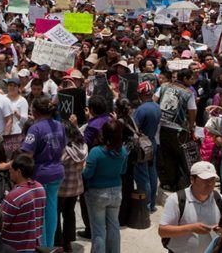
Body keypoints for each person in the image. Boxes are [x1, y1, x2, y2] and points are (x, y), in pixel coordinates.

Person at [18, 95, 65, 248]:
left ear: (35, 111)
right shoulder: (60, 125)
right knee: (51, 209)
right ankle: (49, 245)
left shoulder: (35, 128)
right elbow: (63, 149)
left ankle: (43, 247)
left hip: (41, 175)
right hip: (57, 172)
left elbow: (28, 155)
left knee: (41, 214)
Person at [158, 161, 222, 253]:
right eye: (205, 180)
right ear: (192, 179)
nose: (210, 184)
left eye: (212, 179)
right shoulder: (176, 200)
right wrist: (191, 228)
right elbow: (163, 231)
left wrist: (221, 229)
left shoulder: (220, 199)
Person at [82, 119, 129, 253]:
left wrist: (83, 168)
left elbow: (87, 174)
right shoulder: (124, 151)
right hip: (116, 192)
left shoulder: (96, 152)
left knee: (98, 230)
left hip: (97, 193)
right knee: (114, 226)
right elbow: (123, 170)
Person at [157, 69, 197, 192]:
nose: (193, 81)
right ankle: (183, 184)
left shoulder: (163, 87)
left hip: (162, 128)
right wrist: (191, 126)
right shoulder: (188, 93)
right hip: (179, 130)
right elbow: (192, 110)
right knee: (182, 157)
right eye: (191, 79)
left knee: (167, 156)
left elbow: (154, 100)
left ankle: (170, 183)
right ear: (184, 78)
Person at [0, 154, 46, 253]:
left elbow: (2, 223)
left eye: (11, 169)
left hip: (16, 247)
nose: (9, 171)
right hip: (35, 246)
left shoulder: (14, 196)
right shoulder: (40, 188)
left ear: (18, 172)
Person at [56, 122, 87, 253]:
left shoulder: (64, 150)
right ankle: (68, 242)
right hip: (76, 188)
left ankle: (57, 241)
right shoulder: (82, 147)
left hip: (61, 189)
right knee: (69, 213)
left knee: (56, 215)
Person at [132, 81, 161, 211]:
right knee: (152, 173)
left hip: (142, 146)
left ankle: (146, 205)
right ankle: (152, 203)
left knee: (142, 176)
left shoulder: (141, 109)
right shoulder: (156, 106)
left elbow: (134, 128)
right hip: (152, 142)